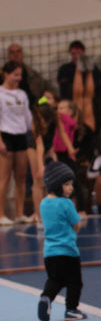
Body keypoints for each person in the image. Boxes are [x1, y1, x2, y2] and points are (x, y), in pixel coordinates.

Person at [37, 159, 87, 321]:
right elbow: (77, 224)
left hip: (49, 252)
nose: (71, 188)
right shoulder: (66, 203)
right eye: (67, 184)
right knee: (75, 282)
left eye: (71, 184)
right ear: (56, 185)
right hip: (68, 251)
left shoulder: (44, 203)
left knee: (55, 280)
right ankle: (71, 309)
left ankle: (46, 297)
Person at [0, 61, 33, 225]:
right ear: (6, 74)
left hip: (21, 136)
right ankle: (0, 215)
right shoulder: (0, 94)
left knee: (21, 177)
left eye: (20, 75)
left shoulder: (22, 94)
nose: (18, 78)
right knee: (4, 178)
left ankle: (20, 214)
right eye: (15, 75)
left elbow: (27, 117)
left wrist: (34, 132)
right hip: (6, 135)